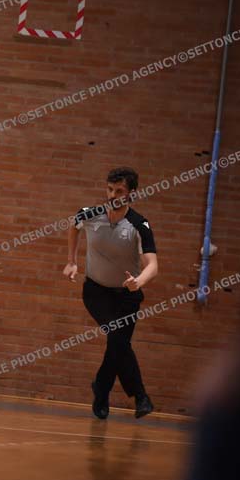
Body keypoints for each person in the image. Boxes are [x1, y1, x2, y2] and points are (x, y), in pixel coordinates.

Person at [64, 167, 158, 419]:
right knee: (119, 339)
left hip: (127, 296)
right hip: (96, 293)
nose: (113, 195)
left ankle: (102, 388)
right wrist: (72, 261)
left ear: (131, 194)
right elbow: (73, 226)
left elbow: (153, 265)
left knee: (118, 343)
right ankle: (140, 396)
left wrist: (139, 281)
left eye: (119, 191)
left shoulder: (140, 225)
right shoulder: (89, 214)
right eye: (110, 189)